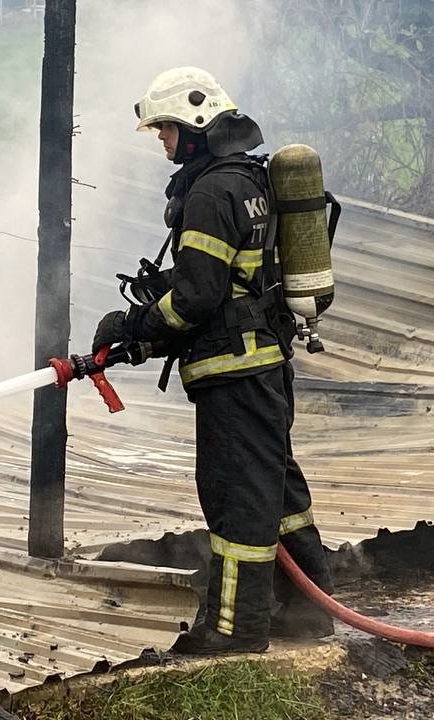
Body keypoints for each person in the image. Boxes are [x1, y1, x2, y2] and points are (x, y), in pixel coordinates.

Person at [92, 67, 334, 655]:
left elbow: (199, 296)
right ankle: (307, 611)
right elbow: (230, 278)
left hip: (233, 372)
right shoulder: (248, 179)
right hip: (265, 364)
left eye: (167, 129)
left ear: (197, 125)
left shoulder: (209, 191)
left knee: (238, 499)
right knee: (276, 492)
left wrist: (137, 327)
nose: (162, 142)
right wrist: (149, 329)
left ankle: (234, 628)